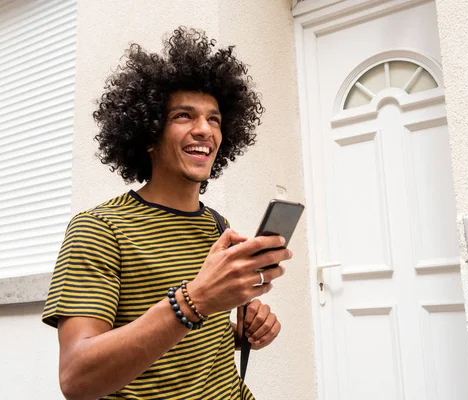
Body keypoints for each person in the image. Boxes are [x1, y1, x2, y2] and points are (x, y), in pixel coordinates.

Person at [42, 27, 291, 400]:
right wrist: (195, 301)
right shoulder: (99, 228)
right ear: (147, 133)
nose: (204, 130)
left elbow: (194, 339)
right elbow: (77, 378)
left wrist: (243, 330)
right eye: (183, 116)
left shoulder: (216, 225)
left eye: (215, 119)